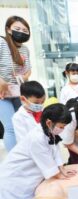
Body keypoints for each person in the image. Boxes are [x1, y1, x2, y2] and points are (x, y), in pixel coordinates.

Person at [0, 104, 76, 199]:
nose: (62, 129)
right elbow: (49, 168)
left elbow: (55, 151)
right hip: (14, 179)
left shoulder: (49, 131)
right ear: (49, 122)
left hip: (26, 176)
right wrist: (60, 175)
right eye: (61, 126)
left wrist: (62, 169)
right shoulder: (37, 138)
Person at [0, 16, 32, 151]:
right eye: (17, 29)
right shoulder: (1, 43)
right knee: (10, 127)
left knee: (22, 124)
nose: (22, 32)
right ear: (8, 30)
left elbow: (28, 71)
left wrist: (22, 78)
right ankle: (15, 160)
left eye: (25, 30)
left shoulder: (25, 50)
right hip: (1, 93)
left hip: (17, 91)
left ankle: (24, 154)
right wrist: (2, 82)